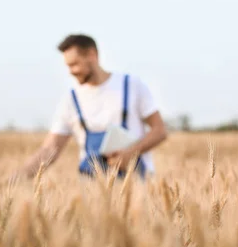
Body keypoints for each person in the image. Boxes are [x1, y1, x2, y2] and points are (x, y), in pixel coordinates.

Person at [12, 34, 167, 181]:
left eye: (74, 64)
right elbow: (49, 149)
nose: (71, 72)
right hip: (91, 191)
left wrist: (131, 153)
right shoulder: (71, 100)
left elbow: (159, 131)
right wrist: (12, 182)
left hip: (136, 186)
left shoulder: (131, 85)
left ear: (92, 55)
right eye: (68, 66)